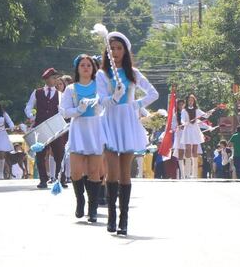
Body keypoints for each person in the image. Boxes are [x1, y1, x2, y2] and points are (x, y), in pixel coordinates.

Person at [96, 31, 158, 236]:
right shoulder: (102, 74)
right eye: (111, 48)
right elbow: (101, 100)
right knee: (112, 172)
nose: (114, 52)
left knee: (125, 174)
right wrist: (114, 97)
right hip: (110, 122)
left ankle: (124, 219)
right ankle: (112, 217)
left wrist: (135, 104)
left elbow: (153, 93)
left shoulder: (133, 73)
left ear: (125, 51)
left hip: (128, 123)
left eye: (119, 48)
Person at [60, 54, 105, 222]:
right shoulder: (71, 89)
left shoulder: (99, 86)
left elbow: (105, 105)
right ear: (77, 69)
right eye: (82, 65)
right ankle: (80, 200)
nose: (86, 68)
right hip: (78, 129)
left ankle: (92, 208)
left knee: (94, 171)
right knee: (76, 171)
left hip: (95, 128)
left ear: (93, 69)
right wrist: (78, 110)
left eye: (89, 65)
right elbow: (64, 111)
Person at [24, 68, 64, 189]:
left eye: (55, 78)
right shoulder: (37, 92)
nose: (55, 80)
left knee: (59, 154)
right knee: (40, 154)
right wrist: (31, 116)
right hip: (40, 126)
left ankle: (59, 178)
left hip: (55, 126)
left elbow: (62, 110)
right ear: (46, 79)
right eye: (53, 78)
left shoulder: (60, 94)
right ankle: (43, 179)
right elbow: (28, 107)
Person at [180, 94, 216, 179]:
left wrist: (211, 111)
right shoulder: (184, 110)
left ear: (194, 101)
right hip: (188, 130)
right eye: (189, 100)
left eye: (192, 100)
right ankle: (187, 174)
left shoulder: (197, 110)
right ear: (187, 101)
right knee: (188, 150)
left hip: (195, 131)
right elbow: (182, 119)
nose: (191, 102)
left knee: (195, 150)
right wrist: (183, 123)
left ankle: (195, 174)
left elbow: (205, 115)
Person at [172, 98, 186, 178]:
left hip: (187, 134)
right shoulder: (176, 115)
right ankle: (183, 175)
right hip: (180, 135)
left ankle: (188, 173)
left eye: (182, 104)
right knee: (180, 154)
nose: (181, 106)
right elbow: (173, 126)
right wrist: (178, 127)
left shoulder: (187, 113)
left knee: (188, 154)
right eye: (179, 104)